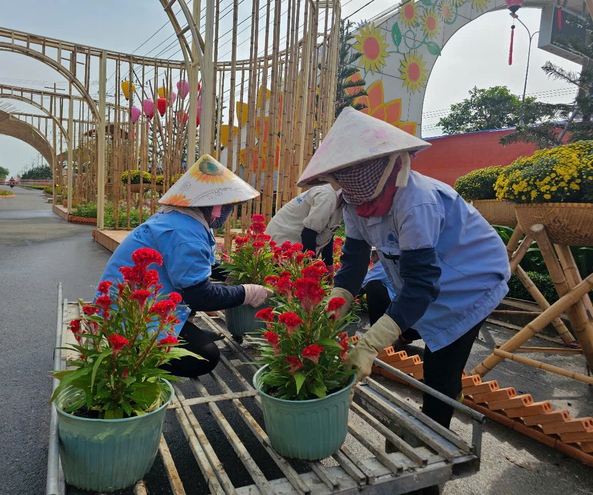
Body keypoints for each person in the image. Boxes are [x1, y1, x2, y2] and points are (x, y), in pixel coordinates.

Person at [298, 107, 510, 431]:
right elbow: (353, 261)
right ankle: (441, 399)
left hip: (470, 279)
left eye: (369, 197)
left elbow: (421, 285)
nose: (365, 208)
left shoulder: (416, 201)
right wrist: (333, 307)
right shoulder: (354, 201)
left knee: (439, 371)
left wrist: (369, 344)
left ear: (391, 165)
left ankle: (433, 450)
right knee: (392, 307)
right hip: (426, 277)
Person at [97, 154, 273, 378]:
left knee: (197, 319)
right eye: (227, 207)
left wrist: (231, 273)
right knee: (205, 356)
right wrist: (246, 292)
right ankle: (135, 354)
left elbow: (201, 265)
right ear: (213, 206)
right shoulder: (185, 233)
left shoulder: (181, 220)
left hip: (131, 306)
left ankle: (182, 331)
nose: (227, 214)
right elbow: (200, 295)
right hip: (130, 318)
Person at [266, 183, 344, 278]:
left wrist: (328, 264)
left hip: (298, 240)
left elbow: (328, 230)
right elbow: (309, 233)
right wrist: (310, 271)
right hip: (283, 241)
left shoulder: (341, 199)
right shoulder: (327, 198)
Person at [362, 249, 421, 353]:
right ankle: (405, 336)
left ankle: (379, 338)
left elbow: (362, 284)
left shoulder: (383, 264)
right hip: (419, 322)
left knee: (373, 286)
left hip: (403, 321)